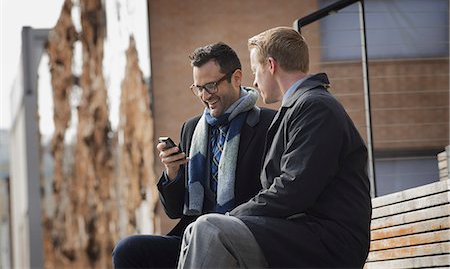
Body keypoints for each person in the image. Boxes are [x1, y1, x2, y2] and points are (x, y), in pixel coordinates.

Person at [177, 27, 372, 268]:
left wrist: (231, 217)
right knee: (195, 230)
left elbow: (293, 189)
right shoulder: (299, 108)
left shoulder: (315, 107)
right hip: (299, 233)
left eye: (255, 70)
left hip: (329, 242)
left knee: (211, 229)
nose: (255, 81)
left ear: (271, 65)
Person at [112, 42, 276, 268]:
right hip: (191, 237)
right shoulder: (191, 129)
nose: (204, 96)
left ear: (236, 78)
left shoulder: (269, 125)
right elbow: (174, 210)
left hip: (240, 236)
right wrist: (172, 173)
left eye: (210, 86)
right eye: (198, 88)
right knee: (128, 250)